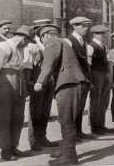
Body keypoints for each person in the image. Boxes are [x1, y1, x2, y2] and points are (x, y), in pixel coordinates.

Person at [34, 16, 93, 165]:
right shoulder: (63, 43)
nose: (43, 42)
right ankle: (66, 150)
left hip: (69, 84)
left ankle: (70, 157)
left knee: (66, 120)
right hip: (76, 82)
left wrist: (40, 82)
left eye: (42, 39)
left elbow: (48, 64)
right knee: (69, 119)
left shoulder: (53, 42)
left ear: (45, 35)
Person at [0, 25, 35, 161]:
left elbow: (22, 69)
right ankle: (5, 150)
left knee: (18, 117)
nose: (28, 44)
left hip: (18, 82)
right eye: (28, 41)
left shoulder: (21, 49)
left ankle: (14, 146)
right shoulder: (2, 47)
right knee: (4, 117)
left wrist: (24, 88)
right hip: (4, 82)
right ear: (23, 38)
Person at [28, 23, 60, 151]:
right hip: (37, 82)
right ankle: (34, 140)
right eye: (52, 34)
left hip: (49, 81)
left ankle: (42, 137)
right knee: (35, 111)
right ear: (42, 35)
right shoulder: (32, 46)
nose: (54, 37)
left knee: (45, 111)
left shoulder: (49, 45)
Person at [88, 25, 114, 135]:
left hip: (104, 75)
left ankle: (101, 125)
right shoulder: (90, 46)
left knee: (104, 101)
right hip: (95, 75)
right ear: (94, 34)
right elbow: (88, 65)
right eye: (101, 34)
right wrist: (89, 79)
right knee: (95, 101)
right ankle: (95, 127)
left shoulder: (103, 47)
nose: (104, 36)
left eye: (104, 34)